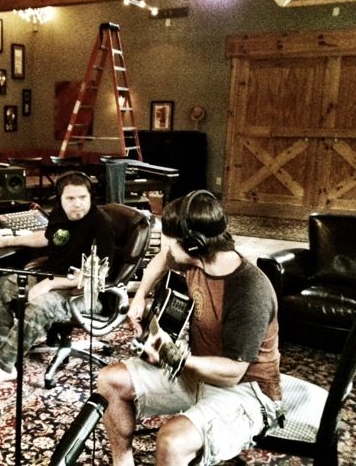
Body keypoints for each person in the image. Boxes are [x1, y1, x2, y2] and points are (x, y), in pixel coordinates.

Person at [97, 190, 282, 466]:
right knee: (109, 380)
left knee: (172, 441)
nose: (168, 247)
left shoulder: (249, 290)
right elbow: (163, 258)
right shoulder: (195, 258)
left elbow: (233, 372)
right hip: (197, 372)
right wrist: (140, 296)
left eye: (171, 241)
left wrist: (172, 357)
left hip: (247, 390)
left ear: (194, 245)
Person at [0, 171, 115, 386]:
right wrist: (6, 241)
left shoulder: (101, 225)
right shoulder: (60, 214)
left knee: (39, 305)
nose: (77, 203)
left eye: (82, 197)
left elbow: (95, 277)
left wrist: (50, 284)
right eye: (70, 198)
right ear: (60, 198)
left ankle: (4, 366)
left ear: (90, 197)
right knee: (1, 286)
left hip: (86, 293)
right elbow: (47, 238)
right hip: (53, 277)